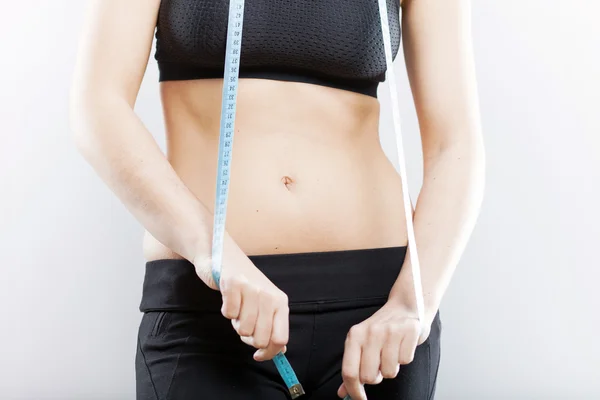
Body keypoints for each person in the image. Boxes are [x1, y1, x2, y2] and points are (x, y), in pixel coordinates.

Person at [69, 0, 484, 398]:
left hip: (380, 311)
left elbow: (456, 144)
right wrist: (210, 250)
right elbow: (98, 106)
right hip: (212, 301)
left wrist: (413, 304)